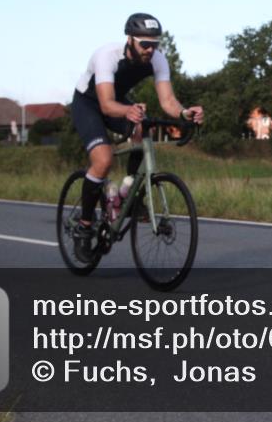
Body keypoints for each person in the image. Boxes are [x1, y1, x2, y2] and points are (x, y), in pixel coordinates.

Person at [70, 13, 204, 262]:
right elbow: (107, 104)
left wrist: (185, 113)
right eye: (145, 44)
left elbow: (168, 101)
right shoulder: (107, 56)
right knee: (103, 159)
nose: (150, 49)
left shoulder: (158, 60)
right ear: (130, 39)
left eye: (155, 44)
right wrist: (129, 111)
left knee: (142, 126)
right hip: (89, 103)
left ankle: (128, 193)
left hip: (117, 102)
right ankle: (84, 226)